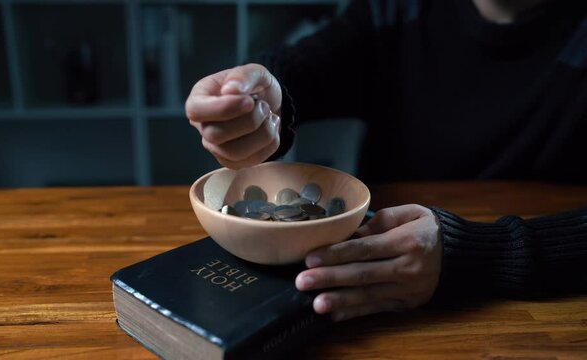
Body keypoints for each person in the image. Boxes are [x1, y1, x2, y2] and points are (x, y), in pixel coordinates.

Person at [185, 0, 587, 322]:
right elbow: (306, 69)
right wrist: (257, 104)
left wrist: (482, 254)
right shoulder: (397, 9)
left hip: (539, 308)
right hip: (371, 287)